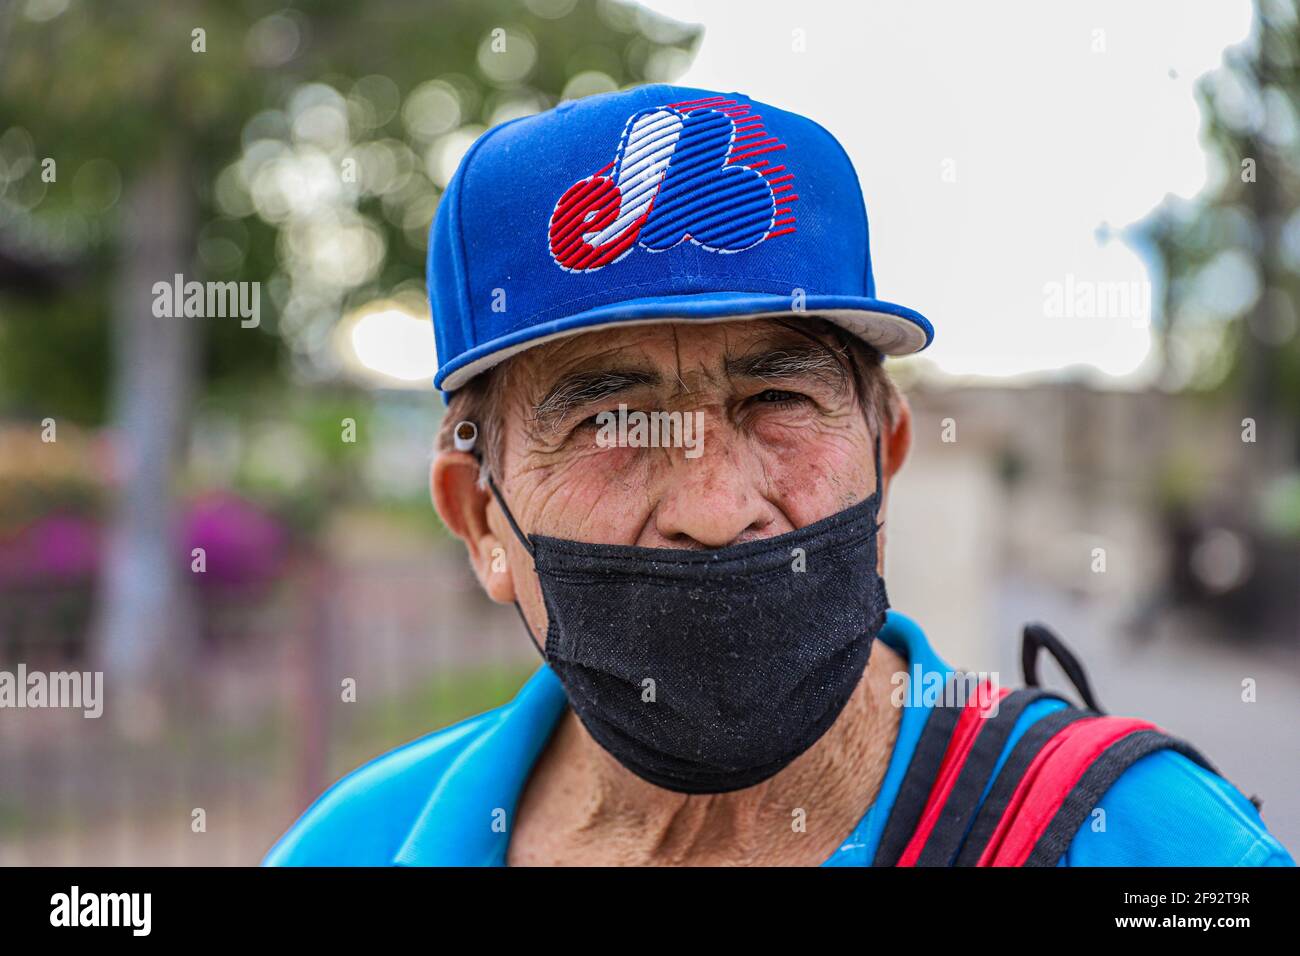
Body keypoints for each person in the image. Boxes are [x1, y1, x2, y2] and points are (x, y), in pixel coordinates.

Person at [264, 85, 1294, 866]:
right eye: (607, 420)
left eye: (777, 401)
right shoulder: (354, 844)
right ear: (477, 516)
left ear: (885, 457)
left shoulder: (1151, 842)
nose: (715, 508)